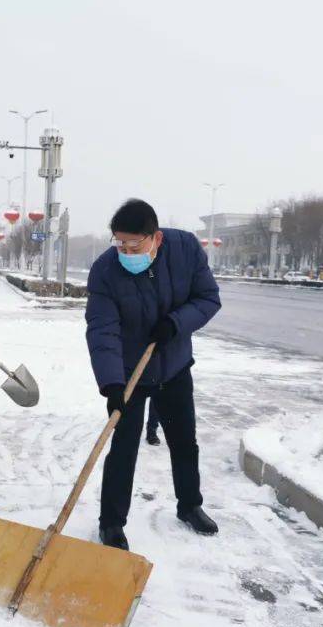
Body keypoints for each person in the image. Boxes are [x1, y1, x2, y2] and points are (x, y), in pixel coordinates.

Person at [85, 199, 222, 551]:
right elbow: (102, 329)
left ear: (156, 238)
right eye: (119, 243)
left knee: (183, 440)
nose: (126, 251)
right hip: (129, 370)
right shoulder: (105, 271)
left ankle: (190, 505)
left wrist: (176, 323)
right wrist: (111, 382)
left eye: (134, 244)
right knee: (123, 447)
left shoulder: (185, 249)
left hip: (173, 364)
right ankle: (112, 523)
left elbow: (208, 299)